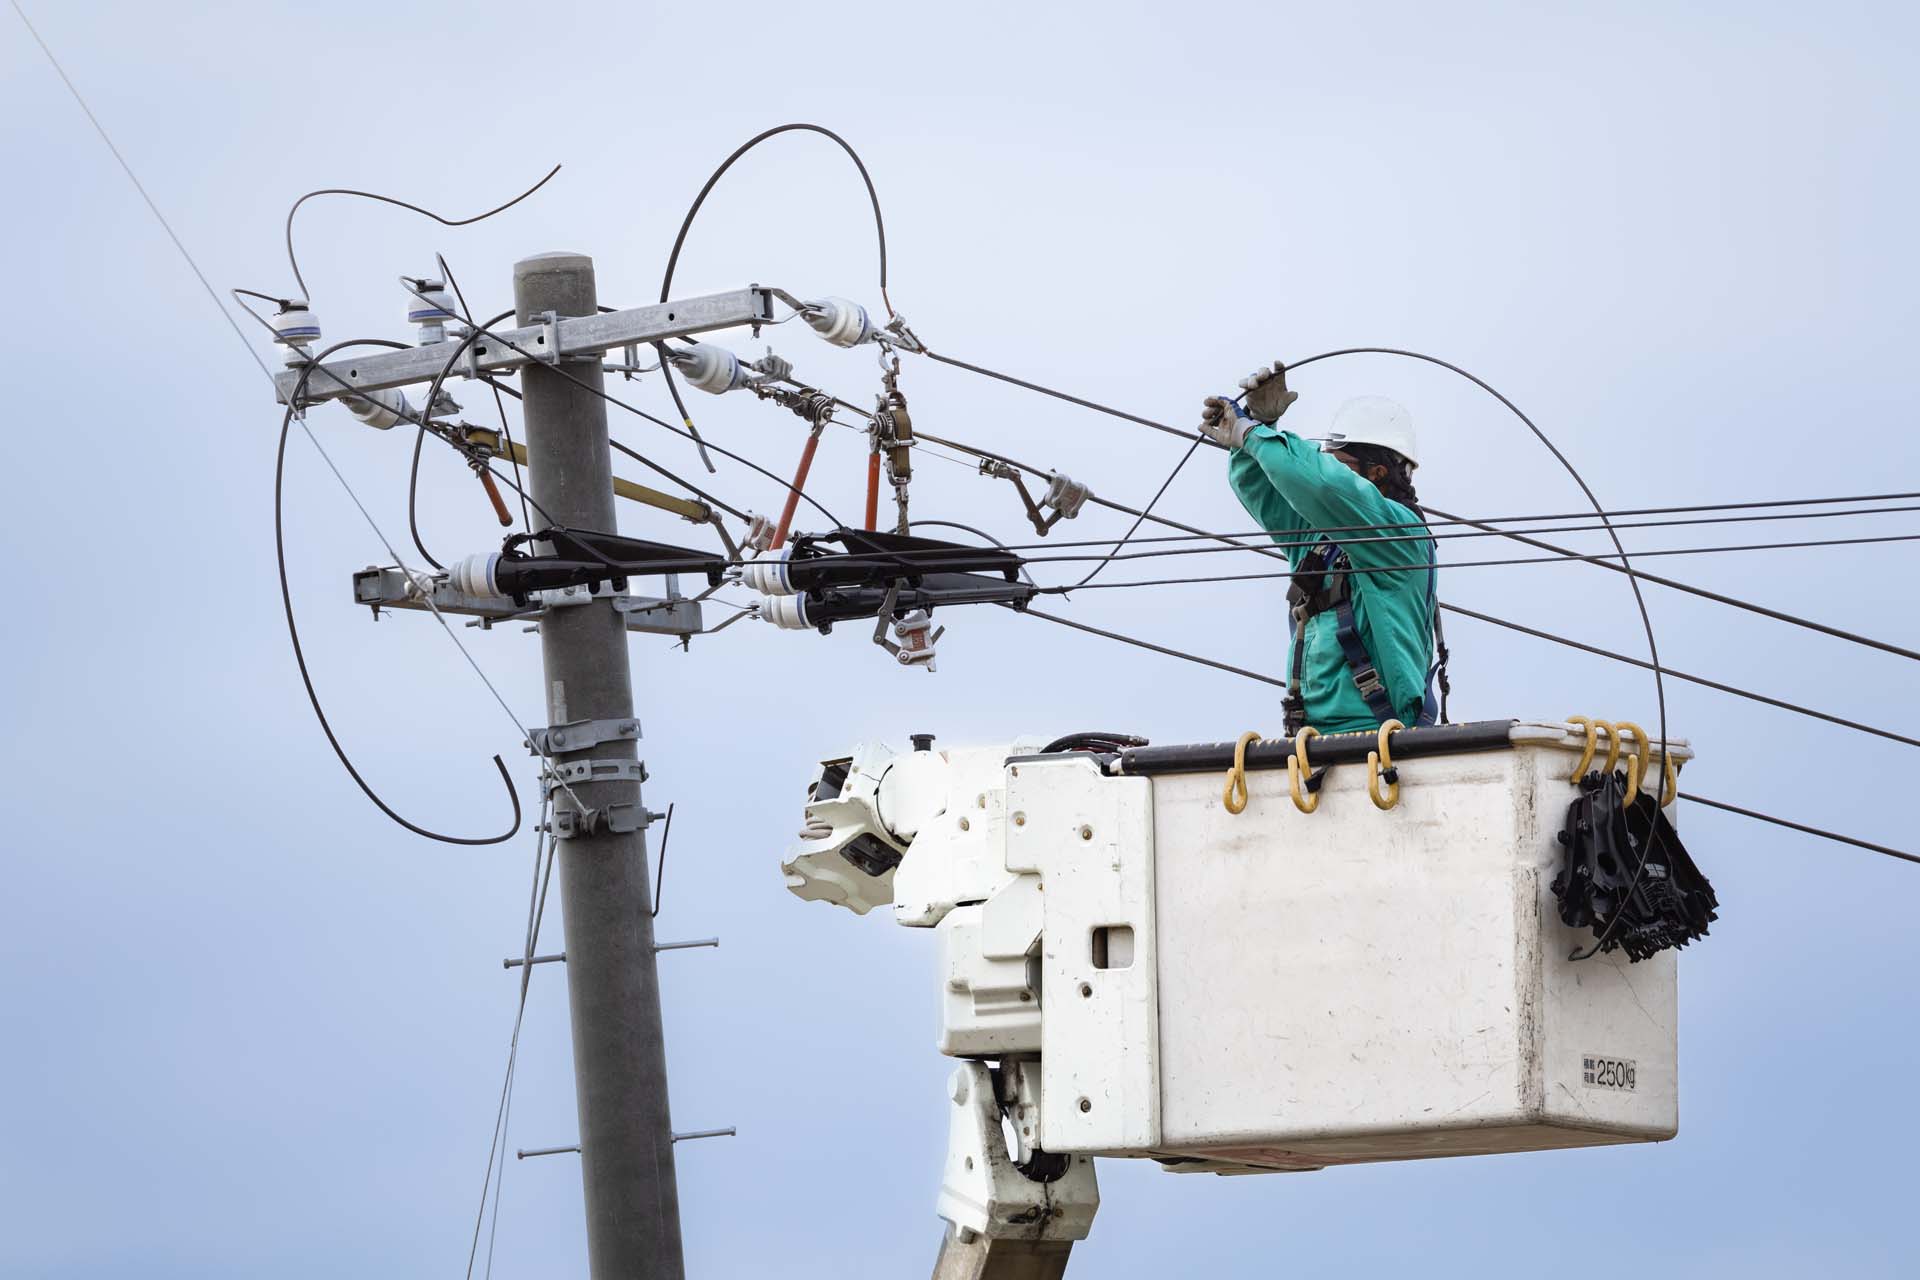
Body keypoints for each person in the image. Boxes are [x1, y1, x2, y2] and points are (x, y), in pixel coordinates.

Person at [1199, 363, 1446, 736]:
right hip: (1312, 738)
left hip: (1379, 732)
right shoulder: (1322, 540)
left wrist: (1252, 434)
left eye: (1338, 461)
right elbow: (1271, 488)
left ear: (1378, 472)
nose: (1328, 466)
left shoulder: (1400, 536)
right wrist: (1257, 425)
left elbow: (1322, 485)